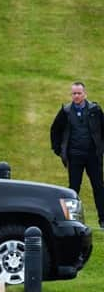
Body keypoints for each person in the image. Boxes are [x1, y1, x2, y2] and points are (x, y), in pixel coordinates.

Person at [51, 82, 104, 229]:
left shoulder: (95, 110)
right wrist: (58, 150)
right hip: (75, 157)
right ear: (71, 95)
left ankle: (103, 220)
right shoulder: (66, 112)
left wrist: (101, 149)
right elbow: (55, 131)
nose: (76, 96)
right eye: (74, 93)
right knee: (73, 189)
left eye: (79, 93)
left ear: (84, 94)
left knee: (98, 187)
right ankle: (73, 221)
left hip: (93, 156)